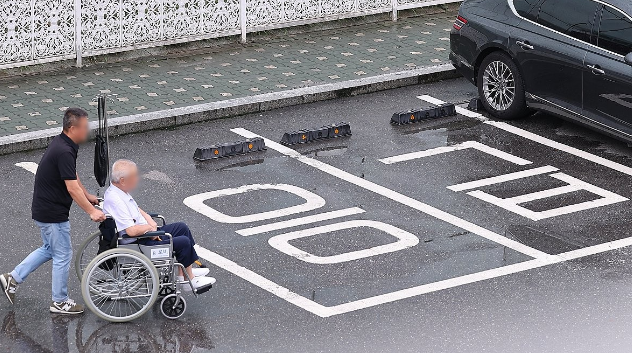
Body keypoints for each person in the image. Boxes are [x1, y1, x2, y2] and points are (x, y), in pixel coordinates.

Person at [1, 108, 106, 315]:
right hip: (51, 212)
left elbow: (72, 175)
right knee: (63, 254)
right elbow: (71, 187)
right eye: (85, 127)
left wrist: (88, 196)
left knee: (50, 249)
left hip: (46, 209)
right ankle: (59, 301)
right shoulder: (64, 150)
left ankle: (13, 278)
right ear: (73, 128)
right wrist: (91, 210)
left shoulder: (66, 145)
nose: (88, 131)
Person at [102, 159, 215, 290]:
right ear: (123, 180)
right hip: (139, 242)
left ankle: (184, 271)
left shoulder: (118, 191)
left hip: (144, 233)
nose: (138, 178)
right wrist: (150, 229)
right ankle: (189, 279)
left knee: (181, 227)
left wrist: (150, 221)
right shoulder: (116, 200)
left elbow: (136, 210)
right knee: (183, 241)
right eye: (135, 176)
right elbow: (131, 231)